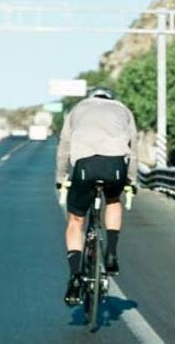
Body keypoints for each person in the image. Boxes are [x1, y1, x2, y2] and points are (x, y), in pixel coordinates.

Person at [56, 86, 138, 305]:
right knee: (112, 200)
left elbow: (64, 145)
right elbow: (133, 147)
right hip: (116, 166)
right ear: (112, 98)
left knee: (75, 220)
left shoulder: (77, 109)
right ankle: (111, 251)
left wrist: (61, 176)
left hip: (85, 165)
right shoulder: (123, 110)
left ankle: (74, 275)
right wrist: (131, 179)